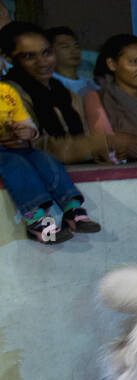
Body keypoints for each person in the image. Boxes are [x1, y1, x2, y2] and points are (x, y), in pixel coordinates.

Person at [0, 21, 117, 165]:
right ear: (8, 58)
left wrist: (100, 148)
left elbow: (84, 136)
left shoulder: (64, 92)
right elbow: (34, 146)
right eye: (29, 56)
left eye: (47, 53)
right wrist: (92, 145)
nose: (42, 62)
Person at [0, 79, 100, 242]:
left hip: (16, 147)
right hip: (7, 155)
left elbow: (28, 125)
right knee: (15, 165)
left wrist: (27, 133)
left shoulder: (6, 92)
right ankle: (35, 220)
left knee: (43, 157)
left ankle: (71, 209)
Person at [45, 27, 97, 97]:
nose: (74, 51)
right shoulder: (47, 83)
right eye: (65, 47)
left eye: (77, 46)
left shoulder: (92, 85)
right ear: (50, 52)